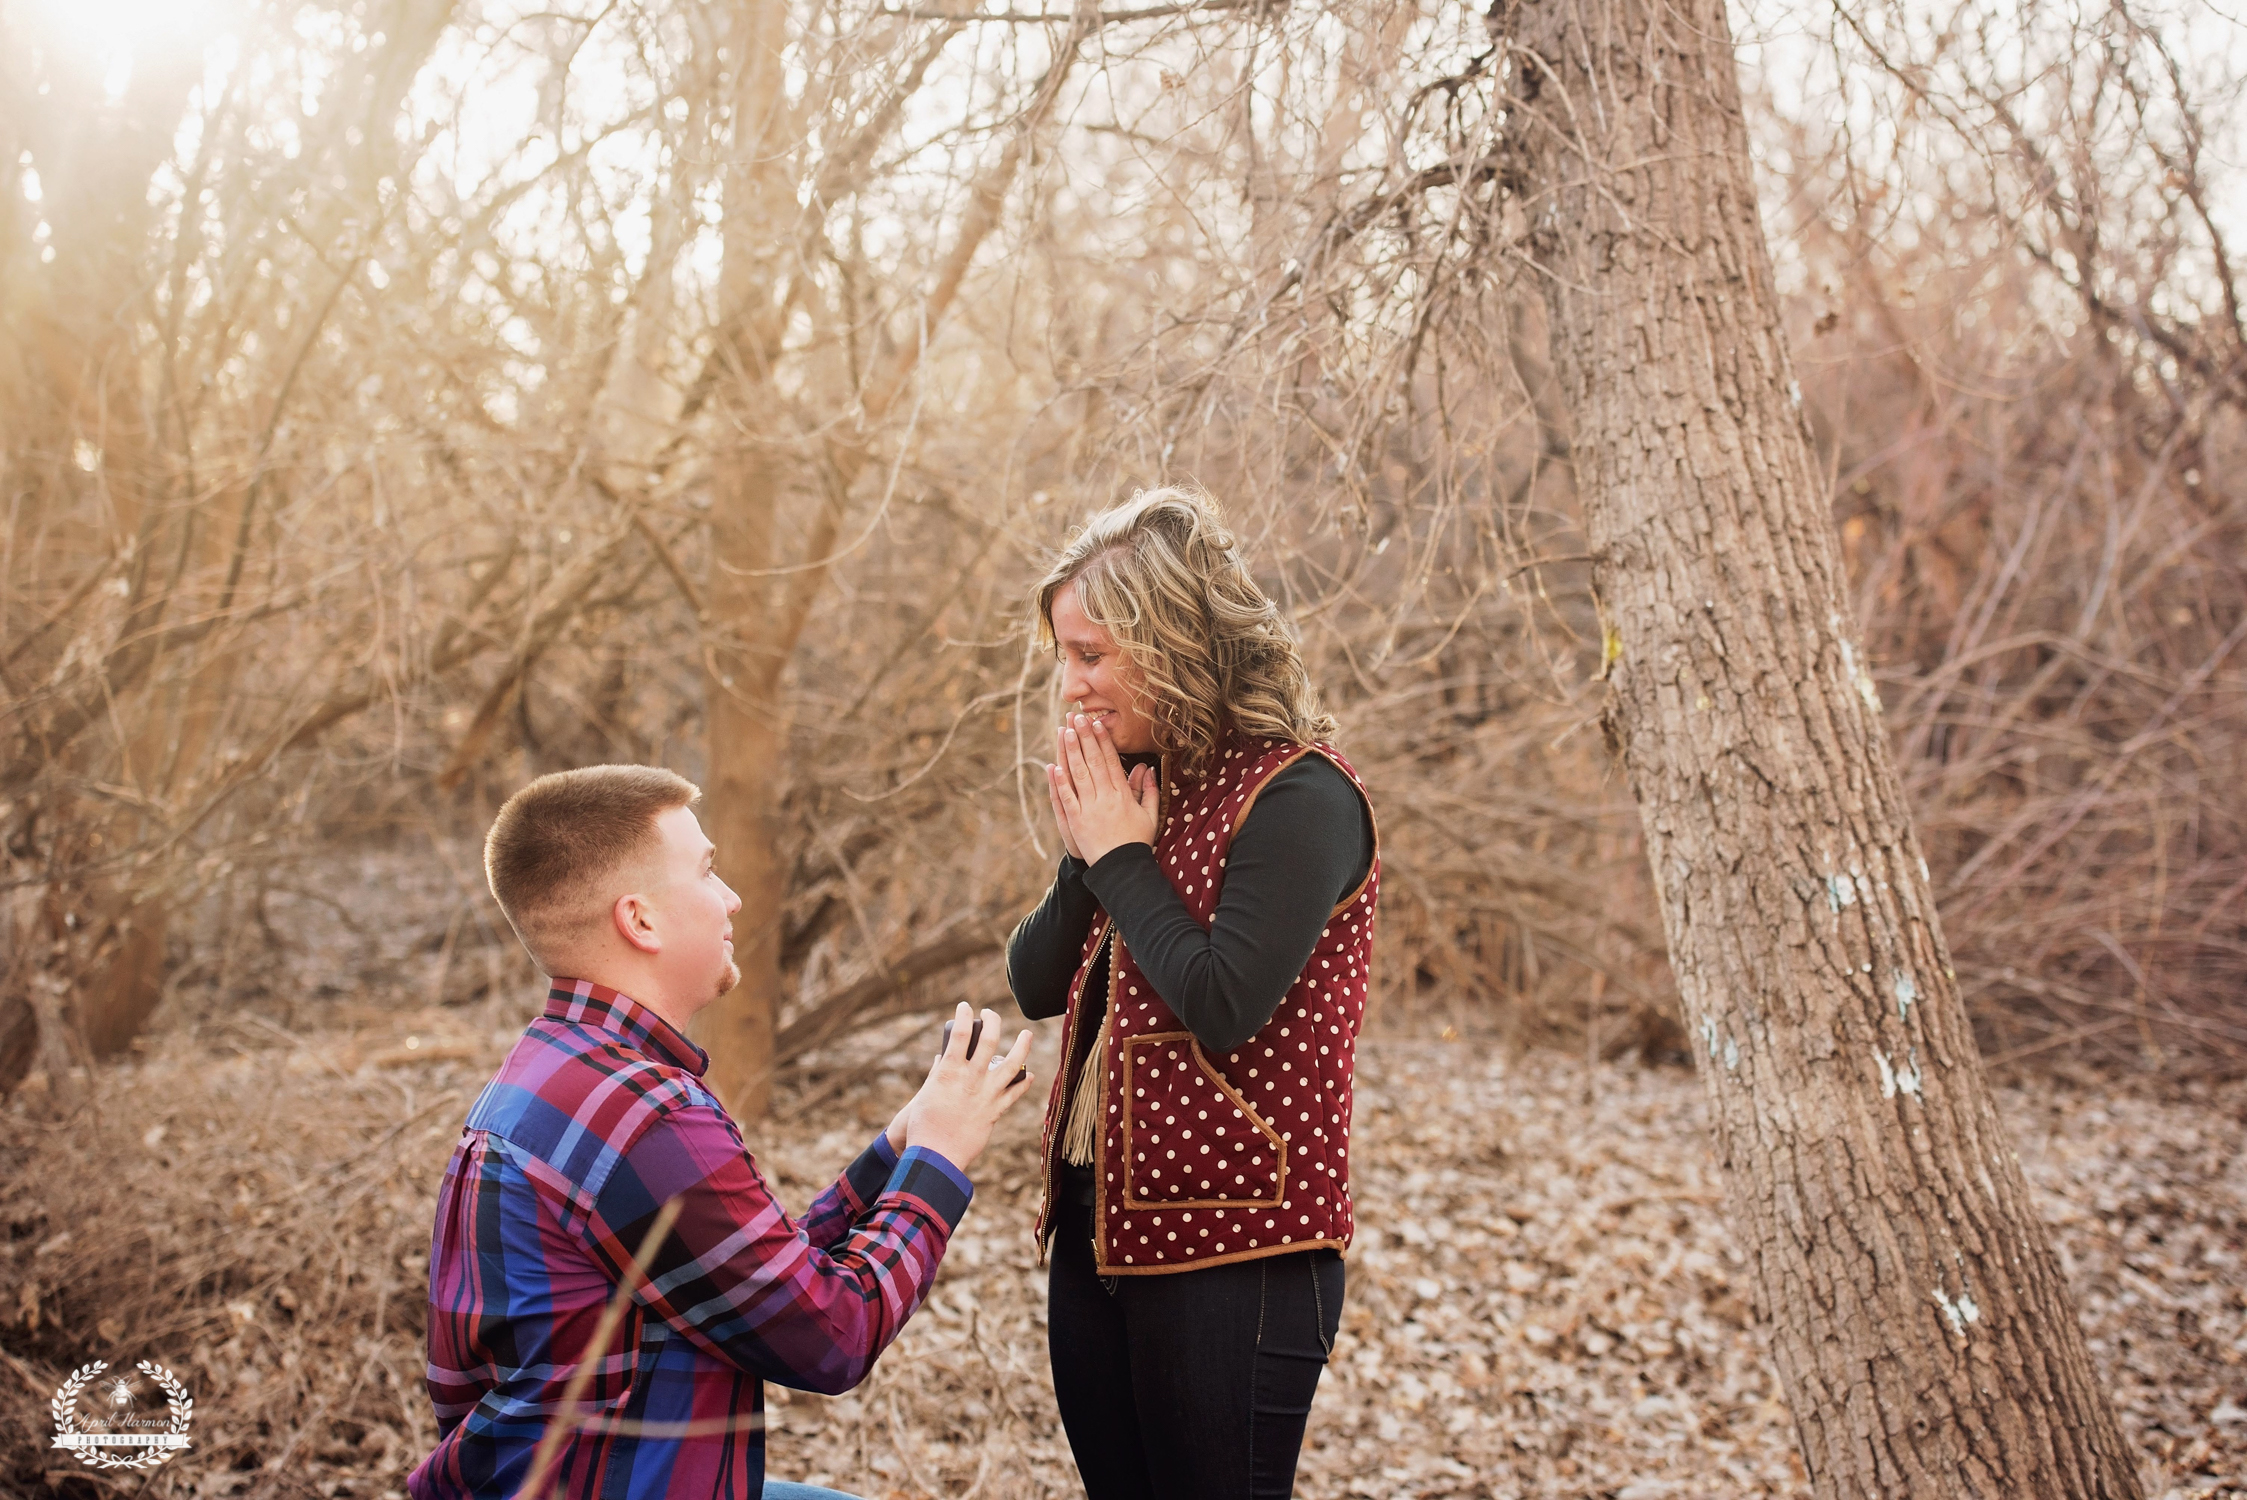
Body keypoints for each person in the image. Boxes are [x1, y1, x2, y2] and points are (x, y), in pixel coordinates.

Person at [409, 765, 1033, 1500]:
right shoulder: (642, 1113)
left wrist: (896, 1150)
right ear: (640, 920)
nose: (732, 897)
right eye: (706, 871)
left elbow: (755, 1279)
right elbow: (830, 1337)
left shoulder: (547, 1069)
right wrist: (940, 1161)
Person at [1008, 488, 1379, 1500]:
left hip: (1242, 1251)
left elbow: (1223, 1003)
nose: (1070, 685)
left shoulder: (1302, 796)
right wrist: (1092, 852)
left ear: (1173, 640)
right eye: (1063, 657)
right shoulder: (1140, 784)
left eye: (1093, 655)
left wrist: (1122, 860)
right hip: (1100, 1226)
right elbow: (1035, 981)